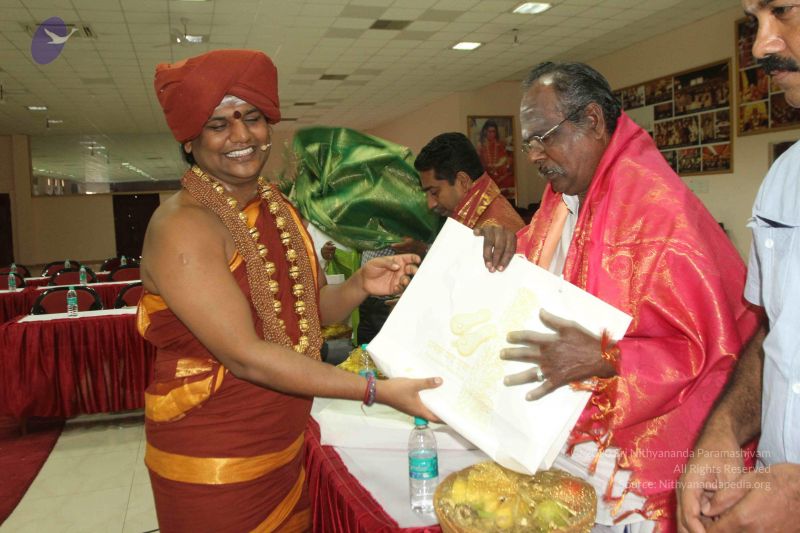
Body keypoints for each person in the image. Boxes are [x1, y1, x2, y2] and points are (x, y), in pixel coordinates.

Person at [138, 49, 441, 532]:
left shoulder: (277, 207)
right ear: (190, 142)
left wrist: (359, 285)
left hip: (290, 438)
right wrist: (376, 391)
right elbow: (246, 356)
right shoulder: (182, 226)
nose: (241, 136)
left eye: (252, 118)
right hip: (215, 457)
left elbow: (302, 313)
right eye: (218, 125)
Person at [489, 62, 761, 531]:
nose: (534, 155)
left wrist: (606, 356)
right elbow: (540, 276)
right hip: (572, 446)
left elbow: (711, 354)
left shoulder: (658, 212)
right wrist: (500, 249)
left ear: (592, 121)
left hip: (644, 467)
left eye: (544, 137)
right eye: (528, 142)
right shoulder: (563, 197)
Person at [677, 3, 800, 531]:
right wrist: (725, 429)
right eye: (755, 20)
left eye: (784, 10)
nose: (761, 45)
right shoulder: (785, 179)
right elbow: (778, 331)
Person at [414, 132, 526, 232]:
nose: (430, 204)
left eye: (434, 192)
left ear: (463, 182)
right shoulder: (486, 209)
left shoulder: (492, 233)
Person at [477, 119, 514, 194]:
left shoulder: (500, 144)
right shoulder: (481, 145)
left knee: (511, 179)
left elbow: (504, 158)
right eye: (489, 131)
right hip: (486, 174)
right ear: (485, 132)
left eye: (493, 131)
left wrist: (496, 165)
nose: (491, 134)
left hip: (499, 174)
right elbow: (479, 162)